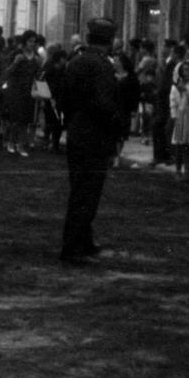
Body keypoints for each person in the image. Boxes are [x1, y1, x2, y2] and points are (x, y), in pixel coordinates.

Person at [57, 18, 120, 265]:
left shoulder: (76, 62)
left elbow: (63, 98)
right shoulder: (102, 66)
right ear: (109, 41)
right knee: (88, 194)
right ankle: (72, 246)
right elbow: (103, 103)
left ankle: (83, 240)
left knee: (80, 189)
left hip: (77, 133)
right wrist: (117, 123)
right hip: (96, 136)